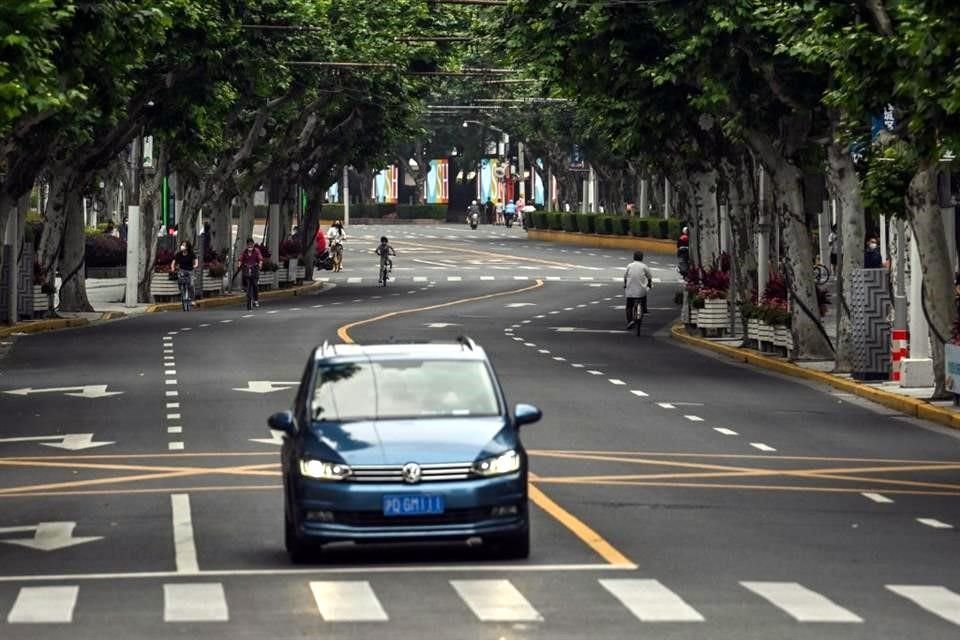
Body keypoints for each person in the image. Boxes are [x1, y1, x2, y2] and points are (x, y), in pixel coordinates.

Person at [623, 250, 653, 329]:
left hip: (630, 290)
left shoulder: (629, 265)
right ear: (642, 258)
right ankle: (644, 309)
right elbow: (649, 277)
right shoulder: (644, 266)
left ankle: (629, 321)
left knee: (629, 306)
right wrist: (649, 283)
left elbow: (625, 277)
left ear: (633, 257)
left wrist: (625, 284)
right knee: (643, 297)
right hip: (641, 291)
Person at [170, 241, 198, 310]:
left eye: (184, 245)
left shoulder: (191, 254)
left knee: (191, 285)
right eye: (182, 245)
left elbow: (196, 260)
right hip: (181, 271)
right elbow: (173, 261)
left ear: (187, 247)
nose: (182, 246)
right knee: (180, 283)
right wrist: (172, 267)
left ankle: (192, 300)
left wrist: (196, 265)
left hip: (190, 271)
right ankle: (182, 293)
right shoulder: (179, 254)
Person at [237, 237, 264, 307]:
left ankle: (256, 300)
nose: (250, 246)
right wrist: (239, 264)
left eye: (251, 244)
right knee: (246, 283)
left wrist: (260, 264)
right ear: (247, 245)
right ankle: (246, 291)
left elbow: (260, 258)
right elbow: (240, 258)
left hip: (254, 269)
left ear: (253, 244)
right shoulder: (245, 252)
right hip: (247, 270)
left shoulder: (256, 251)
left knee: (255, 284)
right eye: (248, 244)